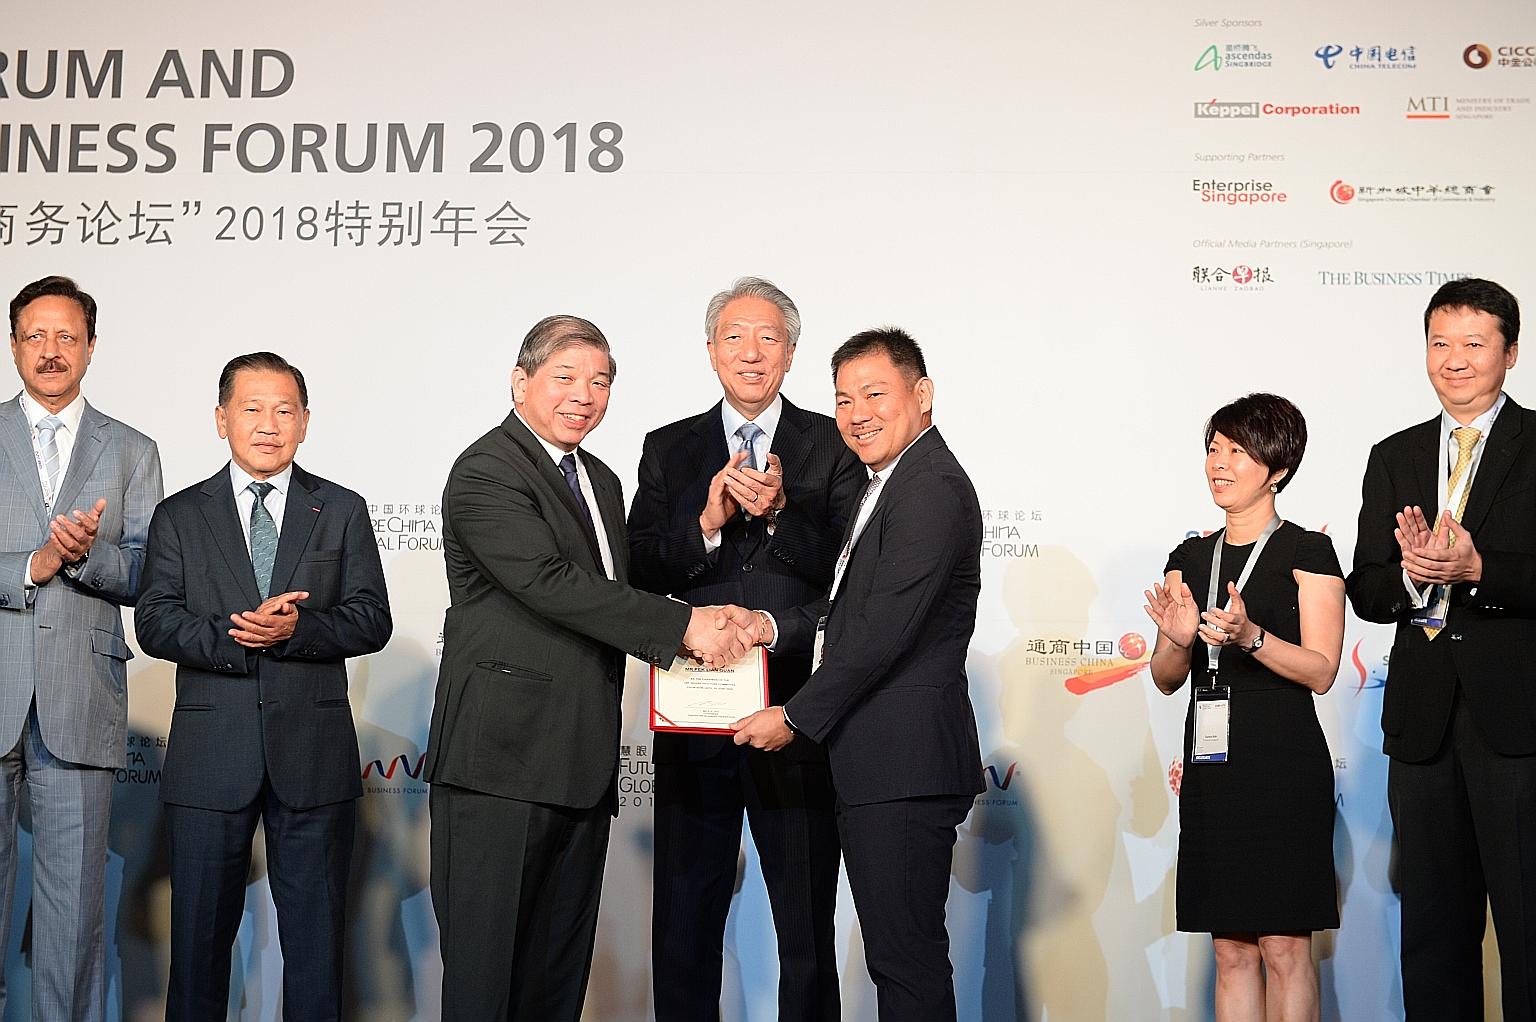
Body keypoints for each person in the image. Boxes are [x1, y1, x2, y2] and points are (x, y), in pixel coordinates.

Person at [423, 314, 757, 1022]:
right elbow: (550, 582)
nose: (585, 394)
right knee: (487, 981)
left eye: (599, 380)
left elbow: (621, 587)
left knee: (555, 978)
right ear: (521, 383)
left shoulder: (599, 478)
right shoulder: (487, 470)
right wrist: (686, 626)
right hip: (500, 766)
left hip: (579, 764)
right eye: (566, 377)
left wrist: (704, 528)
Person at [628, 277, 863, 1022]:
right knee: (686, 918)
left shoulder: (834, 444)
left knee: (803, 923)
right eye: (734, 336)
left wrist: (785, 512)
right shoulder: (668, 448)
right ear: (709, 351)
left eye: (768, 337)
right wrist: (704, 521)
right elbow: (637, 568)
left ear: (792, 352)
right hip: (693, 710)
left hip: (796, 713)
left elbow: (852, 571)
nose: (750, 352)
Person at [732, 328, 983, 1022]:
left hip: (903, 764)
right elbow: (849, 610)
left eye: (875, 394)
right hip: (879, 764)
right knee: (899, 961)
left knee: (906, 966)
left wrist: (795, 716)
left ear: (922, 394)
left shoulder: (929, 486)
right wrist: (767, 626)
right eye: (842, 400)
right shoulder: (890, 482)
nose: (855, 414)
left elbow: (882, 631)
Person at [134, 352, 393, 1021]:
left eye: (284, 410)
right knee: (196, 948)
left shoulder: (340, 509)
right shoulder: (180, 514)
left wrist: (298, 629)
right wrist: (236, 636)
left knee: (315, 949)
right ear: (222, 419)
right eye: (252, 408)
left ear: (305, 422)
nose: (269, 424)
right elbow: (157, 624)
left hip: (311, 756)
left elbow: (372, 618)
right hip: (209, 758)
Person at [1346, 277, 1536, 1021]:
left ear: (1510, 352)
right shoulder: (1392, 455)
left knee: (1524, 927)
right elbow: (1365, 587)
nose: (1453, 360)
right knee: (1431, 930)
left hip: (1517, 725)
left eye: (1473, 344)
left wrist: (1478, 570)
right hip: (1423, 727)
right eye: (1439, 343)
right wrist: (1410, 575)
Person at [1143, 393, 1344, 1022]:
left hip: (1283, 764)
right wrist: (1176, 640)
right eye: (1213, 449)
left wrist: (1251, 636)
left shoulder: (1308, 551)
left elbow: (1322, 669)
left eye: (1237, 451)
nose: (1218, 464)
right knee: (1230, 948)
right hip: (1213, 765)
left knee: (1285, 945)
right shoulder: (1190, 559)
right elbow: (1165, 677)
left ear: (1277, 468)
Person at [0, 275, 163, 1022]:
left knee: (74, 912)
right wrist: (27, 568)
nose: (51, 351)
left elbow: (148, 574)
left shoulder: (132, 449)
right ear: (13, 346)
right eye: (36, 336)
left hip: (81, 696)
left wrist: (87, 554)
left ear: (92, 347)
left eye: (67, 336)